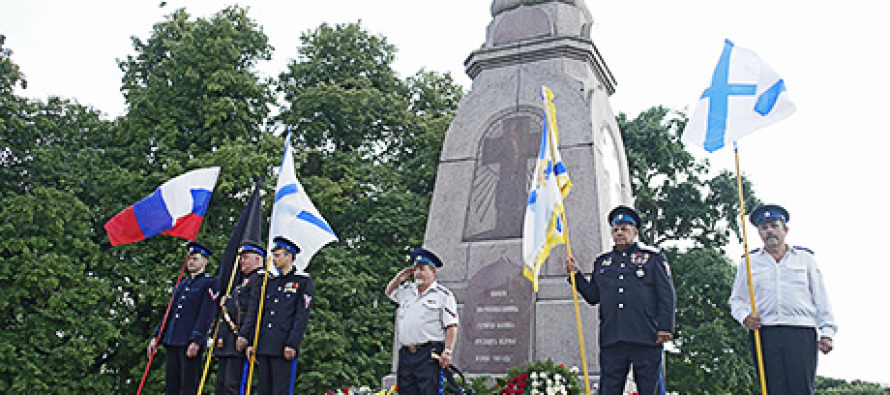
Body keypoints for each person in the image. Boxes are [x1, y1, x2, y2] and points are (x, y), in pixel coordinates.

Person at [565, 205, 675, 395]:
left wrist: (665, 327)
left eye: (624, 229)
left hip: (646, 335)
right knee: (609, 390)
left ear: (635, 232)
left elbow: (666, 295)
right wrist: (576, 277)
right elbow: (593, 297)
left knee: (650, 389)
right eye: (615, 230)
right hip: (613, 337)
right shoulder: (603, 262)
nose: (619, 233)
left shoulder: (652, 258)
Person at [729, 204, 837, 395]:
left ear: (785, 229)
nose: (769, 231)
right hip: (765, 333)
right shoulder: (748, 262)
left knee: (801, 389)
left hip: (801, 332)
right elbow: (737, 300)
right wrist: (745, 317)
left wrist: (827, 332)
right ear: (759, 233)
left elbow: (821, 297)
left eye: (774, 226)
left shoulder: (805, 259)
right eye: (764, 228)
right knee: (772, 389)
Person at [240, 236, 313, 395]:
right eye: (273, 255)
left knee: (281, 390)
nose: (274, 259)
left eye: (278, 255)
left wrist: (293, 342)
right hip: (265, 343)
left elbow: (301, 315)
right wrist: (253, 342)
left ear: (289, 256)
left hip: (283, 344)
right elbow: (262, 314)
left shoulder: (302, 281)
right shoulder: (271, 282)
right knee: (263, 389)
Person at [385, 247, 459, 395]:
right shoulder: (407, 291)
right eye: (415, 269)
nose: (417, 272)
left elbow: (451, 325)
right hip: (406, 353)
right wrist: (398, 279)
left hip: (428, 354)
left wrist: (448, 352)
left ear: (433, 272)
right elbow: (389, 293)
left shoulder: (443, 295)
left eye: (422, 269)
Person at [147, 241, 218, 395]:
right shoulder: (183, 284)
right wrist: (156, 336)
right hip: (173, 340)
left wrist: (196, 340)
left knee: (188, 387)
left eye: (195, 259)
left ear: (204, 261)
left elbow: (206, 314)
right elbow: (170, 312)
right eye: (189, 259)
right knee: (172, 386)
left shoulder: (209, 283)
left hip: (189, 342)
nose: (190, 262)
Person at [214, 240, 266, 395]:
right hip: (228, 340)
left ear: (257, 259)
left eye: (245, 257)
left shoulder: (259, 279)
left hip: (240, 340)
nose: (241, 261)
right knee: (221, 386)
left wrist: (245, 336)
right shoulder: (241, 282)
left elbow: (254, 310)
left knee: (233, 386)